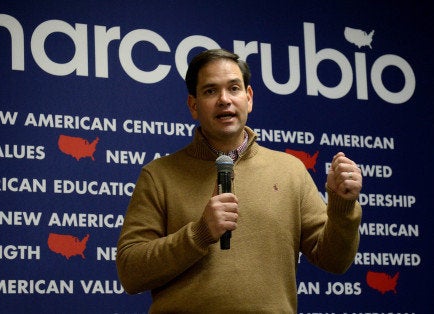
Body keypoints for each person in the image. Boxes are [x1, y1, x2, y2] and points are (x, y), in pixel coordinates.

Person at [116, 48, 363, 313]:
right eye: (210, 91)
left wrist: (342, 205)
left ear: (249, 97)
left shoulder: (290, 171)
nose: (224, 100)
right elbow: (131, 272)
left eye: (234, 88)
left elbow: (335, 261)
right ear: (193, 106)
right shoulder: (158, 175)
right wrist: (199, 234)